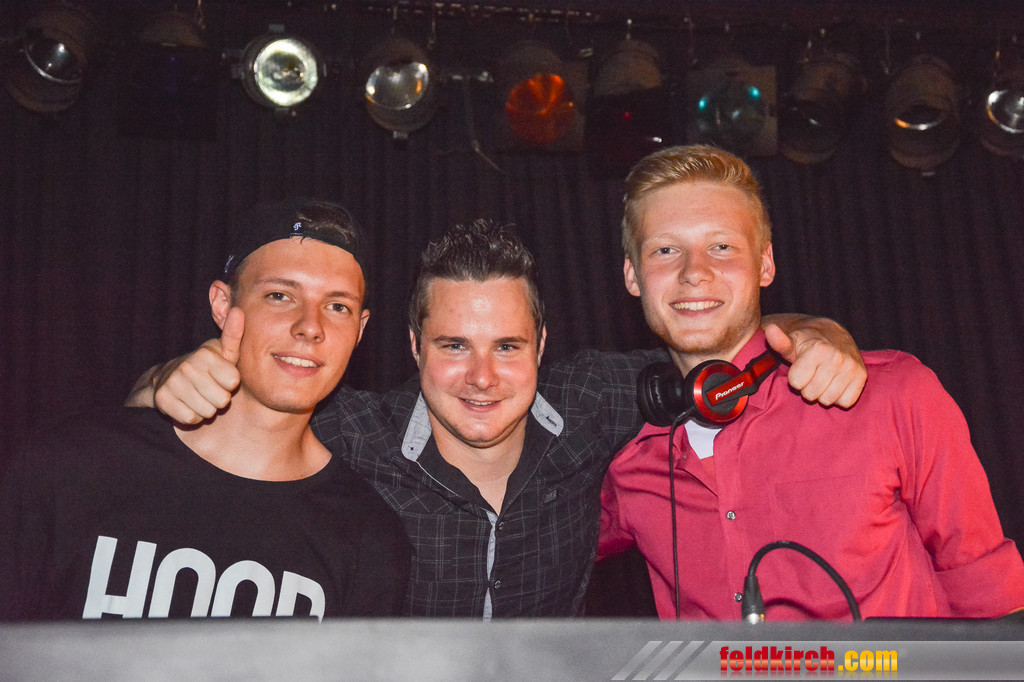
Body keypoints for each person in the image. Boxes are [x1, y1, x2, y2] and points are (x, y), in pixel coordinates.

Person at [129, 220, 867, 618]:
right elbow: (156, 417)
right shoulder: (351, 430)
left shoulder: (592, 400)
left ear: (540, 346)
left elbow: (726, 348)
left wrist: (814, 330)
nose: (482, 378)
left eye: (507, 347)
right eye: (454, 346)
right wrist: (166, 380)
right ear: (413, 346)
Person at [598, 144, 1024, 621]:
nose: (694, 272)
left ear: (765, 264)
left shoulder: (893, 395)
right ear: (632, 276)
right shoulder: (622, 454)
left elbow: (989, 594)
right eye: (665, 250)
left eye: (721, 247)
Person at [0, 199, 411, 621]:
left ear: (359, 330)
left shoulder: (368, 538)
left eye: (337, 306)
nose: (310, 326)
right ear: (222, 305)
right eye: (280, 295)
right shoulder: (69, 468)